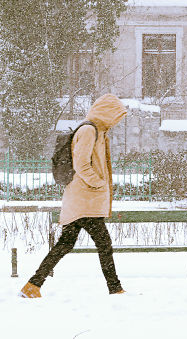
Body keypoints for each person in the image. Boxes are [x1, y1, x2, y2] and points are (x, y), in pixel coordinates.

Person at [20, 93, 128, 297]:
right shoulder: (88, 130)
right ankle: (115, 288)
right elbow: (81, 164)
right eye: (115, 115)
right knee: (104, 244)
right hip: (85, 198)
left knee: (65, 244)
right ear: (106, 113)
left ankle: (33, 285)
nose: (117, 121)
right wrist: (99, 183)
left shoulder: (98, 132)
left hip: (83, 199)